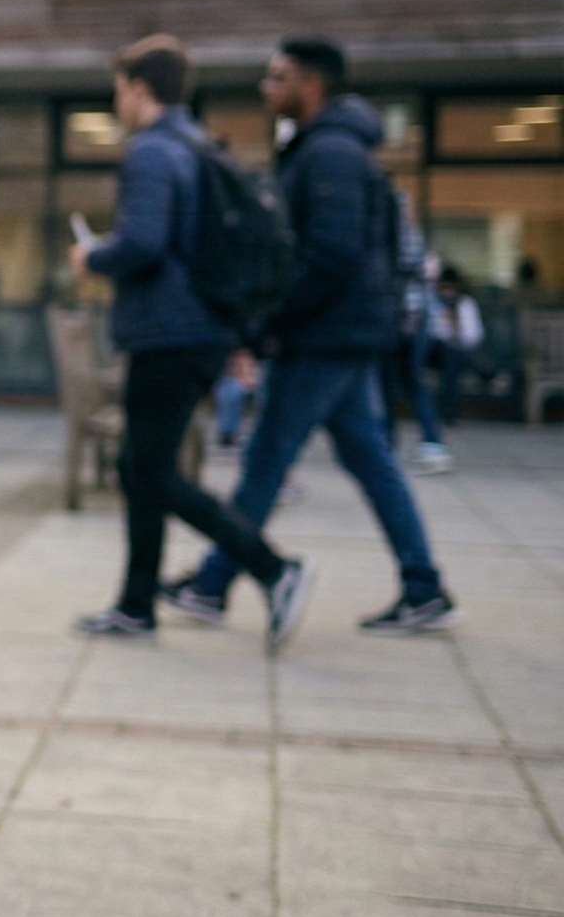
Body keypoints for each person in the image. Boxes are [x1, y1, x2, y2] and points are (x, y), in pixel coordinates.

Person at [167, 38, 458, 636]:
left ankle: (216, 581)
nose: (265, 88)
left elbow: (328, 257)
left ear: (311, 85)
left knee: (267, 458)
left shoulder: (330, 155)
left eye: (277, 78)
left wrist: (267, 323)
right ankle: (423, 586)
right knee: (369, 458)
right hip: (340, 334)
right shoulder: (326, 150)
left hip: (322, 337)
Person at [69, 35, 311, 647]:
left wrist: (93, 255)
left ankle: (273, 568)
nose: (117, 101)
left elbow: (144, 243)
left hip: (167, 333)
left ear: (139, 89)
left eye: (119, 89)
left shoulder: (152, 151)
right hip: (195, 329)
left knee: (150, 471)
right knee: (141, 467)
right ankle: (134, 605)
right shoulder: (195, 144)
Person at [408, 261, 483, 475]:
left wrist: (453, 328)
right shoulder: (431, 300)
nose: (447, 292)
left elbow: (472, 337)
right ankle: (432, 439)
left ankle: (444, 419)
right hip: (429, 349)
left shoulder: (463, 304)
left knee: (448, 361)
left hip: (454, 351)